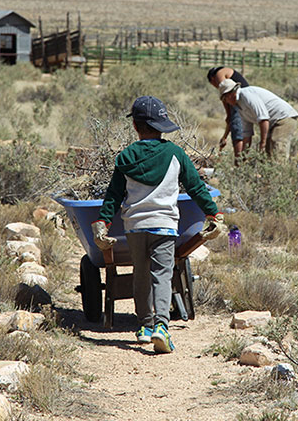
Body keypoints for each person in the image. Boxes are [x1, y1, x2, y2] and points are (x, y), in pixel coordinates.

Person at [91, 96, 225, 354]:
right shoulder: (175, 154)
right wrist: (213, 213)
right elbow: (196, 187)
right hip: (164, 225)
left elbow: (113, 195)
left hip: (135, 227)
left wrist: (102, 223)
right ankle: (161, 327)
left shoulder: (126, 156)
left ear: (136, 127)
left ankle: (143, 326)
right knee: (162, 274)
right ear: (162, 125)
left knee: (140, 273)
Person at [219, 79, 298, 159]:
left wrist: (262, 143)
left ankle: (282, 170)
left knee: (277, 150)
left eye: (225, 99)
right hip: (272, 123)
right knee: (268, 155)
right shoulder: (239, 107)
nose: (226, 102)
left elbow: (263, 119)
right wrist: (243, 156)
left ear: (229, 95)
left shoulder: (247, 95)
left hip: (283, 117)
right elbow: (247, 134)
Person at [207, 66, 249, 159]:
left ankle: (239, 162)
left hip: (239, 101)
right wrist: (225, 136)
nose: (216, 86)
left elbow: (224, 90)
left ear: (212, 79)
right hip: (243, 102)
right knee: (244, 130)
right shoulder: (226, 72)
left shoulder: (219, 74)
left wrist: (228, 113)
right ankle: (243, 162)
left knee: (237, 128)